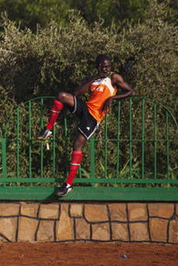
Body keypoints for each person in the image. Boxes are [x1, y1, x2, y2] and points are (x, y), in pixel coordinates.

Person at [37, 54, 134, 197]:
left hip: (94, 117)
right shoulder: (93, 79)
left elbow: (130, 92)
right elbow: (77, 93)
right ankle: (48, 129)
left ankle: (68, 184)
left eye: (108, 66)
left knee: (77, 145)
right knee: (62, 96)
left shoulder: (114, 77)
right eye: (103, 66)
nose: (106, 69)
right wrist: (95, 77)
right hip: (85, 109)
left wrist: (112, 98)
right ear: (98, 66)